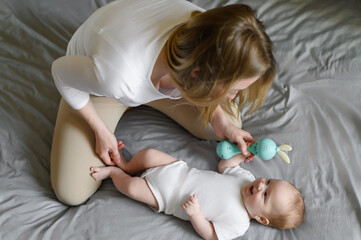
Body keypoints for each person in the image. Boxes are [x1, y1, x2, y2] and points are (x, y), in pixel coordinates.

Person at [50, 0, 275, 205]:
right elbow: (60, 72)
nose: (234, 97)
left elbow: (201, 87)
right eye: (234, 90)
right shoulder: (117, 75)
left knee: (230, 122)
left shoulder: (213, 36)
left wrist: (221, 122)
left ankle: (138, 101)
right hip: (104, 83)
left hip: (154, 78)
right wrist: (99, 129)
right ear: (200, 74)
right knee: (72, 190)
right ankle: (126, 103)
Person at [90, 143, 305, 240]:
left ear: (261, 218)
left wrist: (196, 215)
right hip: (176, 169)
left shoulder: (239, 223)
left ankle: (113, 174)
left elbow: (211, 235)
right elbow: (224, 166)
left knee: (132, 188)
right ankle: (127, 165)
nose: (260, 185)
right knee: (149, 155)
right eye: (268, 181)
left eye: (265, 195)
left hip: (166, 197)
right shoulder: (245, 179)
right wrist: (242, 154)